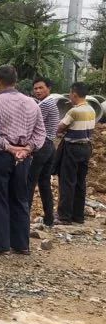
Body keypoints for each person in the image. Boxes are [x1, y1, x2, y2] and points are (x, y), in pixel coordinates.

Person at [0, 65, 46, 254]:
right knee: (20, 199)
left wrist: (10, 148)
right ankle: (21, 244)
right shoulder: (31, 103)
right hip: (23, 158)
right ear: (16, 81)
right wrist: (27, 149)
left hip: (0, 156)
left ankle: (0, 244)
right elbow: (40, 132)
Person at [56, 82, 96, 225]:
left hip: (72, 148)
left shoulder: (74, 111)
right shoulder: (91, 109)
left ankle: (64, 216)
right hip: (86, 148)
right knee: (80, 182)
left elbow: (60, 128)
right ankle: (78, 216)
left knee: (67, 182)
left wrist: (60, 129)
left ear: (74, 94)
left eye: (70, 94)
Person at [28, 77, 60, 227]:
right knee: (44, 182)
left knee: (29, 182)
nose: (38, 91)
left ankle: (23, 217)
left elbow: (31, 122)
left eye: (41, 88)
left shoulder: (45, 104)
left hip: (41, 147)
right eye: (35, 88)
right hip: (49, 146)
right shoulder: (50, 102)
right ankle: (49, 218)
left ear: (49, 88)